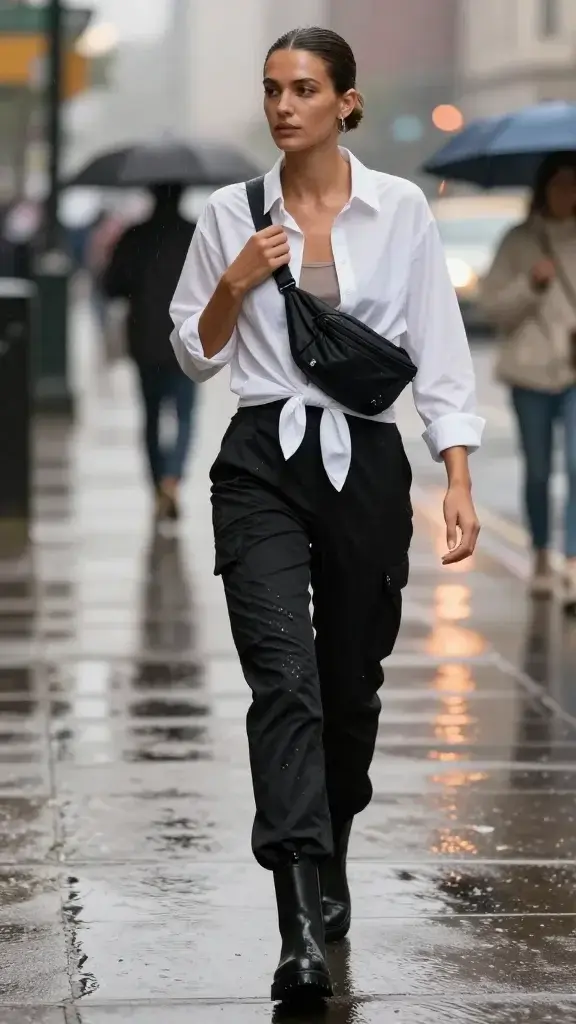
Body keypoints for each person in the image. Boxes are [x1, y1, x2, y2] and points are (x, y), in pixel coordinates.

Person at [170, 26, 483, 1004]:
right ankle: (299, 914)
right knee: (285, 686)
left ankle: (332, 837)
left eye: (303, 88)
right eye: (271, 89)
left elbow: (440, 346)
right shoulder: (231, 214)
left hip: (367, 462)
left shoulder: (399, 212)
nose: (283, 106)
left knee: (349, 689)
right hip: (260, 461)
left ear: (345, 101)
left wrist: (458, 472)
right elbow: (196, 351)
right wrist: (231, 281)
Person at [481, 153, 576, 610]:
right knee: (538, 471)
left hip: (575, 373)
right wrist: (531, 286)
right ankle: (541, 553)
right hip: (529, 374)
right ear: (543, 189)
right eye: (559, 185)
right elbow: (493, 310)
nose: (567, 194)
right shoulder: (518, 241)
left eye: (574, 185)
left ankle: (573, 560)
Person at [103, 184, 196, 521]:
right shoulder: (195, 233)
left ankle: (157, 483)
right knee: (184, 414)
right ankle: (173, 478)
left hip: (145, 339)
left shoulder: (134, 236)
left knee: (152, 415)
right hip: (187, 340)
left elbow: (111, 285)